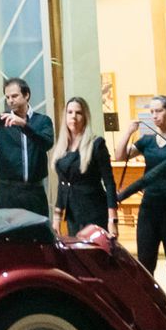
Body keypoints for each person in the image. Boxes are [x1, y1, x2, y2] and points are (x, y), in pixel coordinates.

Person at [117, 94, 166, 329]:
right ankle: (147, 314)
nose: (154, 116)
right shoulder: (148, 141)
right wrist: (128, 132)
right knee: (145, 264)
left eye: (158, 111)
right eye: (151, 112)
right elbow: (120, 155)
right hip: (150, 208)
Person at [0, 76, 54, 216]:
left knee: (38, 235)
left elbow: (46, 143)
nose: (10, 100)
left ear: (26, 95)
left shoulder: (42, 121)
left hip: (35, 191)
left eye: (14, 96)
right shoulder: (1, 121)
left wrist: (23, 125)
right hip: (8, 192)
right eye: (7, 97)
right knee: (8, 235)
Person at [53, 95, 117, 236]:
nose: (73, 117)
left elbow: (109, 183)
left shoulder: (96, 144)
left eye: (78, 113)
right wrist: (57, 215)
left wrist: (112, 219)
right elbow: (63, 183)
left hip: (94, 211)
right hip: (73, 214)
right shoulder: (63, 146)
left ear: (85, 117)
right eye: (69, 112)